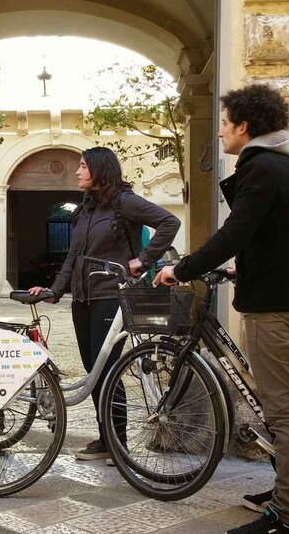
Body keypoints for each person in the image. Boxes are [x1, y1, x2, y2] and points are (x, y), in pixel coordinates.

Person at [154, 84, 289, 534]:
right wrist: (238, 270)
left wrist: (182, 268)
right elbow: (275, 238)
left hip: (273, 307)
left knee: (283, 412)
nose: (221, 133)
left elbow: (236, 232)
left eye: (225, 124)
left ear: (244, 126)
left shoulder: (262, 168)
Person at [29, 147, 181, 461]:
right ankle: (105, 437)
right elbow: (74, 254)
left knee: (108, 371)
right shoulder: (86, 209)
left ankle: (118, 443)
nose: (77, 172)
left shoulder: (124, 202)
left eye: (83, 166)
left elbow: (169, 222)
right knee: (92, 370)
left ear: (99, 169)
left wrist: (144, 259)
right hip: (82, 299)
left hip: (110, 297)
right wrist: (55, 289)